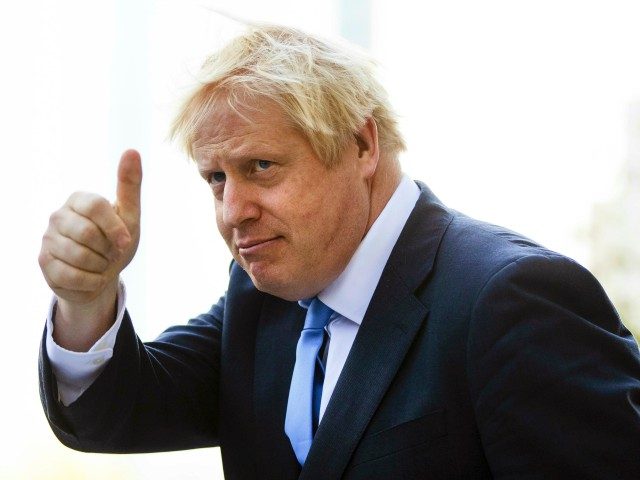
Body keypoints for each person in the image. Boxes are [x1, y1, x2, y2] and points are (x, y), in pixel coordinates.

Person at [38, 24, 640, 479]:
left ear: (362, 143)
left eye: (261, 166)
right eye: (216, 178)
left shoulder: (515, 300)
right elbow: (114, 411)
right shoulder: (263, 296)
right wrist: (84, 300)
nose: (232, 211)